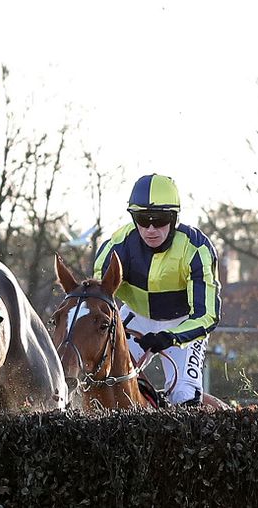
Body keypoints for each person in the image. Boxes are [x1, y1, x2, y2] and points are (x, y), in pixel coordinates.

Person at [94, 174, 221, 406]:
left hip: (182, 324)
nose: (151, 229)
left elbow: (206, 315)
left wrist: (170, 337)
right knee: (96, 374)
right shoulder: (116, 247)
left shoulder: (197, 249)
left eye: (160, 219)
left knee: (184, 396)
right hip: (134, 318)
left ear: (174, 218)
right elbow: (95, 301)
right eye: (143, 219)